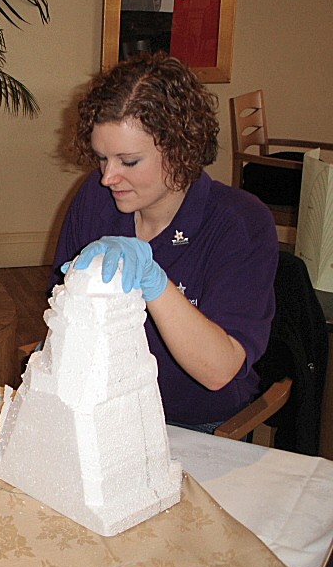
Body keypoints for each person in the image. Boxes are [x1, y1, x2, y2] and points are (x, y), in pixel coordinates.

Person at [52, 52, 278, 432]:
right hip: (102, 406)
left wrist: (153, 282)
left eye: (129, 161)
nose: (108, 177)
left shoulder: (240, 223)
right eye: (102, 158)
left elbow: (219, 371)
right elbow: (64, 310)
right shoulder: (95, 198)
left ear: (180, 149)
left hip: (196, 420)